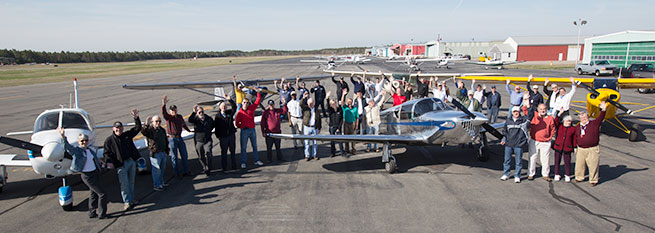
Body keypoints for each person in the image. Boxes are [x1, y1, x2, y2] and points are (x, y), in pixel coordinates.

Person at [59, 127, 107, 219]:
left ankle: (92, 212)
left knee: (93, 193)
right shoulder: (77, 151)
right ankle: (102, 214)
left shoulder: (90, 150)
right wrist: (63, 136)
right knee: (102, 194)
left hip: (94, 173)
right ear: (78, 142)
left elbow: (93, 159)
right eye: (82, 141)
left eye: (86, 140)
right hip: (87, 176)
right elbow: (68, 147)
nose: (84, 142)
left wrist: (100, 161)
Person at [103, 109, 141, 211]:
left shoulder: (127, 135)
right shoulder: (109, 141)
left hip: (130, 162)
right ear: (113, 129)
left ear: (122, 128)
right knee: (124, 184)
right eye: (116, 128)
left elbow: (137, 128)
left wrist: (136, 118)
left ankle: (132, 199)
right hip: (121, 165)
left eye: (120, 127)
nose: (118, 129)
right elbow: (106, 153)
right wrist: (110, 162)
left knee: (131, 182)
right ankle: (127, 202)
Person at [574, 101, 607, 187]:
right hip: (580, 148)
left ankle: (593, 180)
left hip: (592, 148)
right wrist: (575, 147)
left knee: (593, 165)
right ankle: (579, 177)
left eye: (585, 117)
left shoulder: (594, 124)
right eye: (581, 118)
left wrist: (603, 109)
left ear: (588, 117)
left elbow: (601, 117)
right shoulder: (577, 126)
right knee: (579, 165)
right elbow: (575, 137)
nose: (583, 119)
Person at [161, 95, 191, 177]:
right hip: (172, 139)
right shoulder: (168, 117)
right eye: (172, 110)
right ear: (170, 111)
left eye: (175, 110)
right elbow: (164, 114)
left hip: (179, 138)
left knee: (184, 155)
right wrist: (163, 104)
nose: (174, 111)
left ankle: (186, 171)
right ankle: (176, 173)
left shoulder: (180, 117)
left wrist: (189, 130)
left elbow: (183, 125)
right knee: (174, 157)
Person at [235, 89, 264, 169]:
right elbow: (237, 123)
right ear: (242, 103)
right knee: (243, 147)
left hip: (252, 130)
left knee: (255, 146)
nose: (246, 104)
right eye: (244, 102)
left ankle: (256, 160)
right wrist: (242, 127)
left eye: (247, 103)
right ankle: (243, 162)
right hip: (244, 131)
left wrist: (258, 92)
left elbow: (257, 101)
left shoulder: (251, 108)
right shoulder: (240, 113)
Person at [526, 103, 556, 181]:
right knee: (532, 158)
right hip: (534, 141)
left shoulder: (550, 118)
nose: (542, 110)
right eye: (541, 109)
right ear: (538, 109)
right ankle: (531, 174)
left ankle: (545, 174)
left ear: (546, 110)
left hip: (545, 142)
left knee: (545, 159)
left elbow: (553, 129)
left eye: (544, 109)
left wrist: (549, 137)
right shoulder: (534, 116)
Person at [500, 106, 530, 183]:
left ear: (520, 112)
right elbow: (505, 131)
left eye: (517, 111)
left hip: (519, 144)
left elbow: (530, 118)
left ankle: (517, 175)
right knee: (507, 160)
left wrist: (527, 108)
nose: (516, 113)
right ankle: (506, 174)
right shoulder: (508, 121)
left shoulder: (523, 120)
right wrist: (504, 138)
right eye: (514, 111)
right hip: (509, 144)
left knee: (518, 161)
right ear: (512, 112)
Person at [140, 115, 169, 191]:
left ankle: (161, 182)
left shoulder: (162, 130)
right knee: (156, 170)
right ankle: (156, 185)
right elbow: (143, 131)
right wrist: (146, 124)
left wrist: (167, 149)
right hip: (155, 153)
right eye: (156, 121)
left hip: (163, 152)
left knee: (162, 168)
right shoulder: (150, 130)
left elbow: (165, 140)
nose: (158, 123)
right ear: (152, 122)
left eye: (159, 121)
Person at [189, 105, 214, 176]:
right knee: (201, 155)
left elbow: (212, 125)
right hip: (199, 140)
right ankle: (205, 167)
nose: (201, 113)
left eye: (202, 112)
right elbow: (190, 120)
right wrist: (194, 112)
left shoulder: (208, 118)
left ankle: (209, 166)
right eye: (199, 112)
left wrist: (208, 132)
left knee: (208, 152)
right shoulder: (196, 120)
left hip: (207, 140)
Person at [214, 95, 238, 171]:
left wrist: (230, 100)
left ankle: (234, 166)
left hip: (231, 135)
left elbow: (234, 107)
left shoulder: (229, 113)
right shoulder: (217, 117)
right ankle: (224, 168)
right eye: (223, 106)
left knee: (233, 152)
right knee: (224, 153)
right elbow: (216, 127)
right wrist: (219, 136)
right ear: (220, 107)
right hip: (223, 137)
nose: (224, 107)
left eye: (225, 106)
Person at [552, 109, 576, 182]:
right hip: (558, 146)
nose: (568, 122)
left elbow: (574, 139)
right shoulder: (560, 126)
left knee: (567, 162)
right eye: (567, 121)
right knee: (557, 161)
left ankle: (567, 175)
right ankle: (556, 174)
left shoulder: (573, 129)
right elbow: (555, 121)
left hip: (567, 147)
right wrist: (559, 114)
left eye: (569, 121)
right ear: (563, 121)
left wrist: (575, 147)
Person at [261, 99, 288, 163]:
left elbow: (284, 111)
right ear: (268, 105)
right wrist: (263, 132)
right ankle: (269, 159)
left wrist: (284, 104)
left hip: (277, 132)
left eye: (272, 105)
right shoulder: (265, 112)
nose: (271, 106)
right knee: (269, 147)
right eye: (270, 105)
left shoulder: (277, 111)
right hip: (269, 133)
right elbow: (262, 123)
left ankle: (279, 158)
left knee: (278, 146)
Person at [300, 93, 322, 160]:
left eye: (312, 103)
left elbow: (319, 120)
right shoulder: (306, 109)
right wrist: (303, 98)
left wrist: (319, 128)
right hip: (307, 127)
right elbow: (301, 104)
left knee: (315, 143)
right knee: (307, 143)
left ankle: (314, 155)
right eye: (309, 103)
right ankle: (307, 155)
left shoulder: (317, 110)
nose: (311, 104)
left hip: (314, 127)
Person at [326, 91, 345, 157]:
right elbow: (327, 107)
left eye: (334, 103)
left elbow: (341, 120)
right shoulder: (330, 110)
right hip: (332, 127)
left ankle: (342, 152)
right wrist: (327, 98)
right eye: (332, 104)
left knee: (340, 141)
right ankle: (333, 153)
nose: (333, 105)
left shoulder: (339, 110)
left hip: (338, 127)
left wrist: (339, 128)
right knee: (332, 141)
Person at [342, 90, 359, 155]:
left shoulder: (355, 109)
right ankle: (347, 149)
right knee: (346, 137)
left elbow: (357, 117)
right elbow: (342, 102)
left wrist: (357, 125)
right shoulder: (345, 108)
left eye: (350, 102)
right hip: (346, 123)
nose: (349, 103)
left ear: (352, 102)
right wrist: (343, 95)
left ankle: (353, 149)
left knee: (353, 138)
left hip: (353, 123)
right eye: (348, 101)